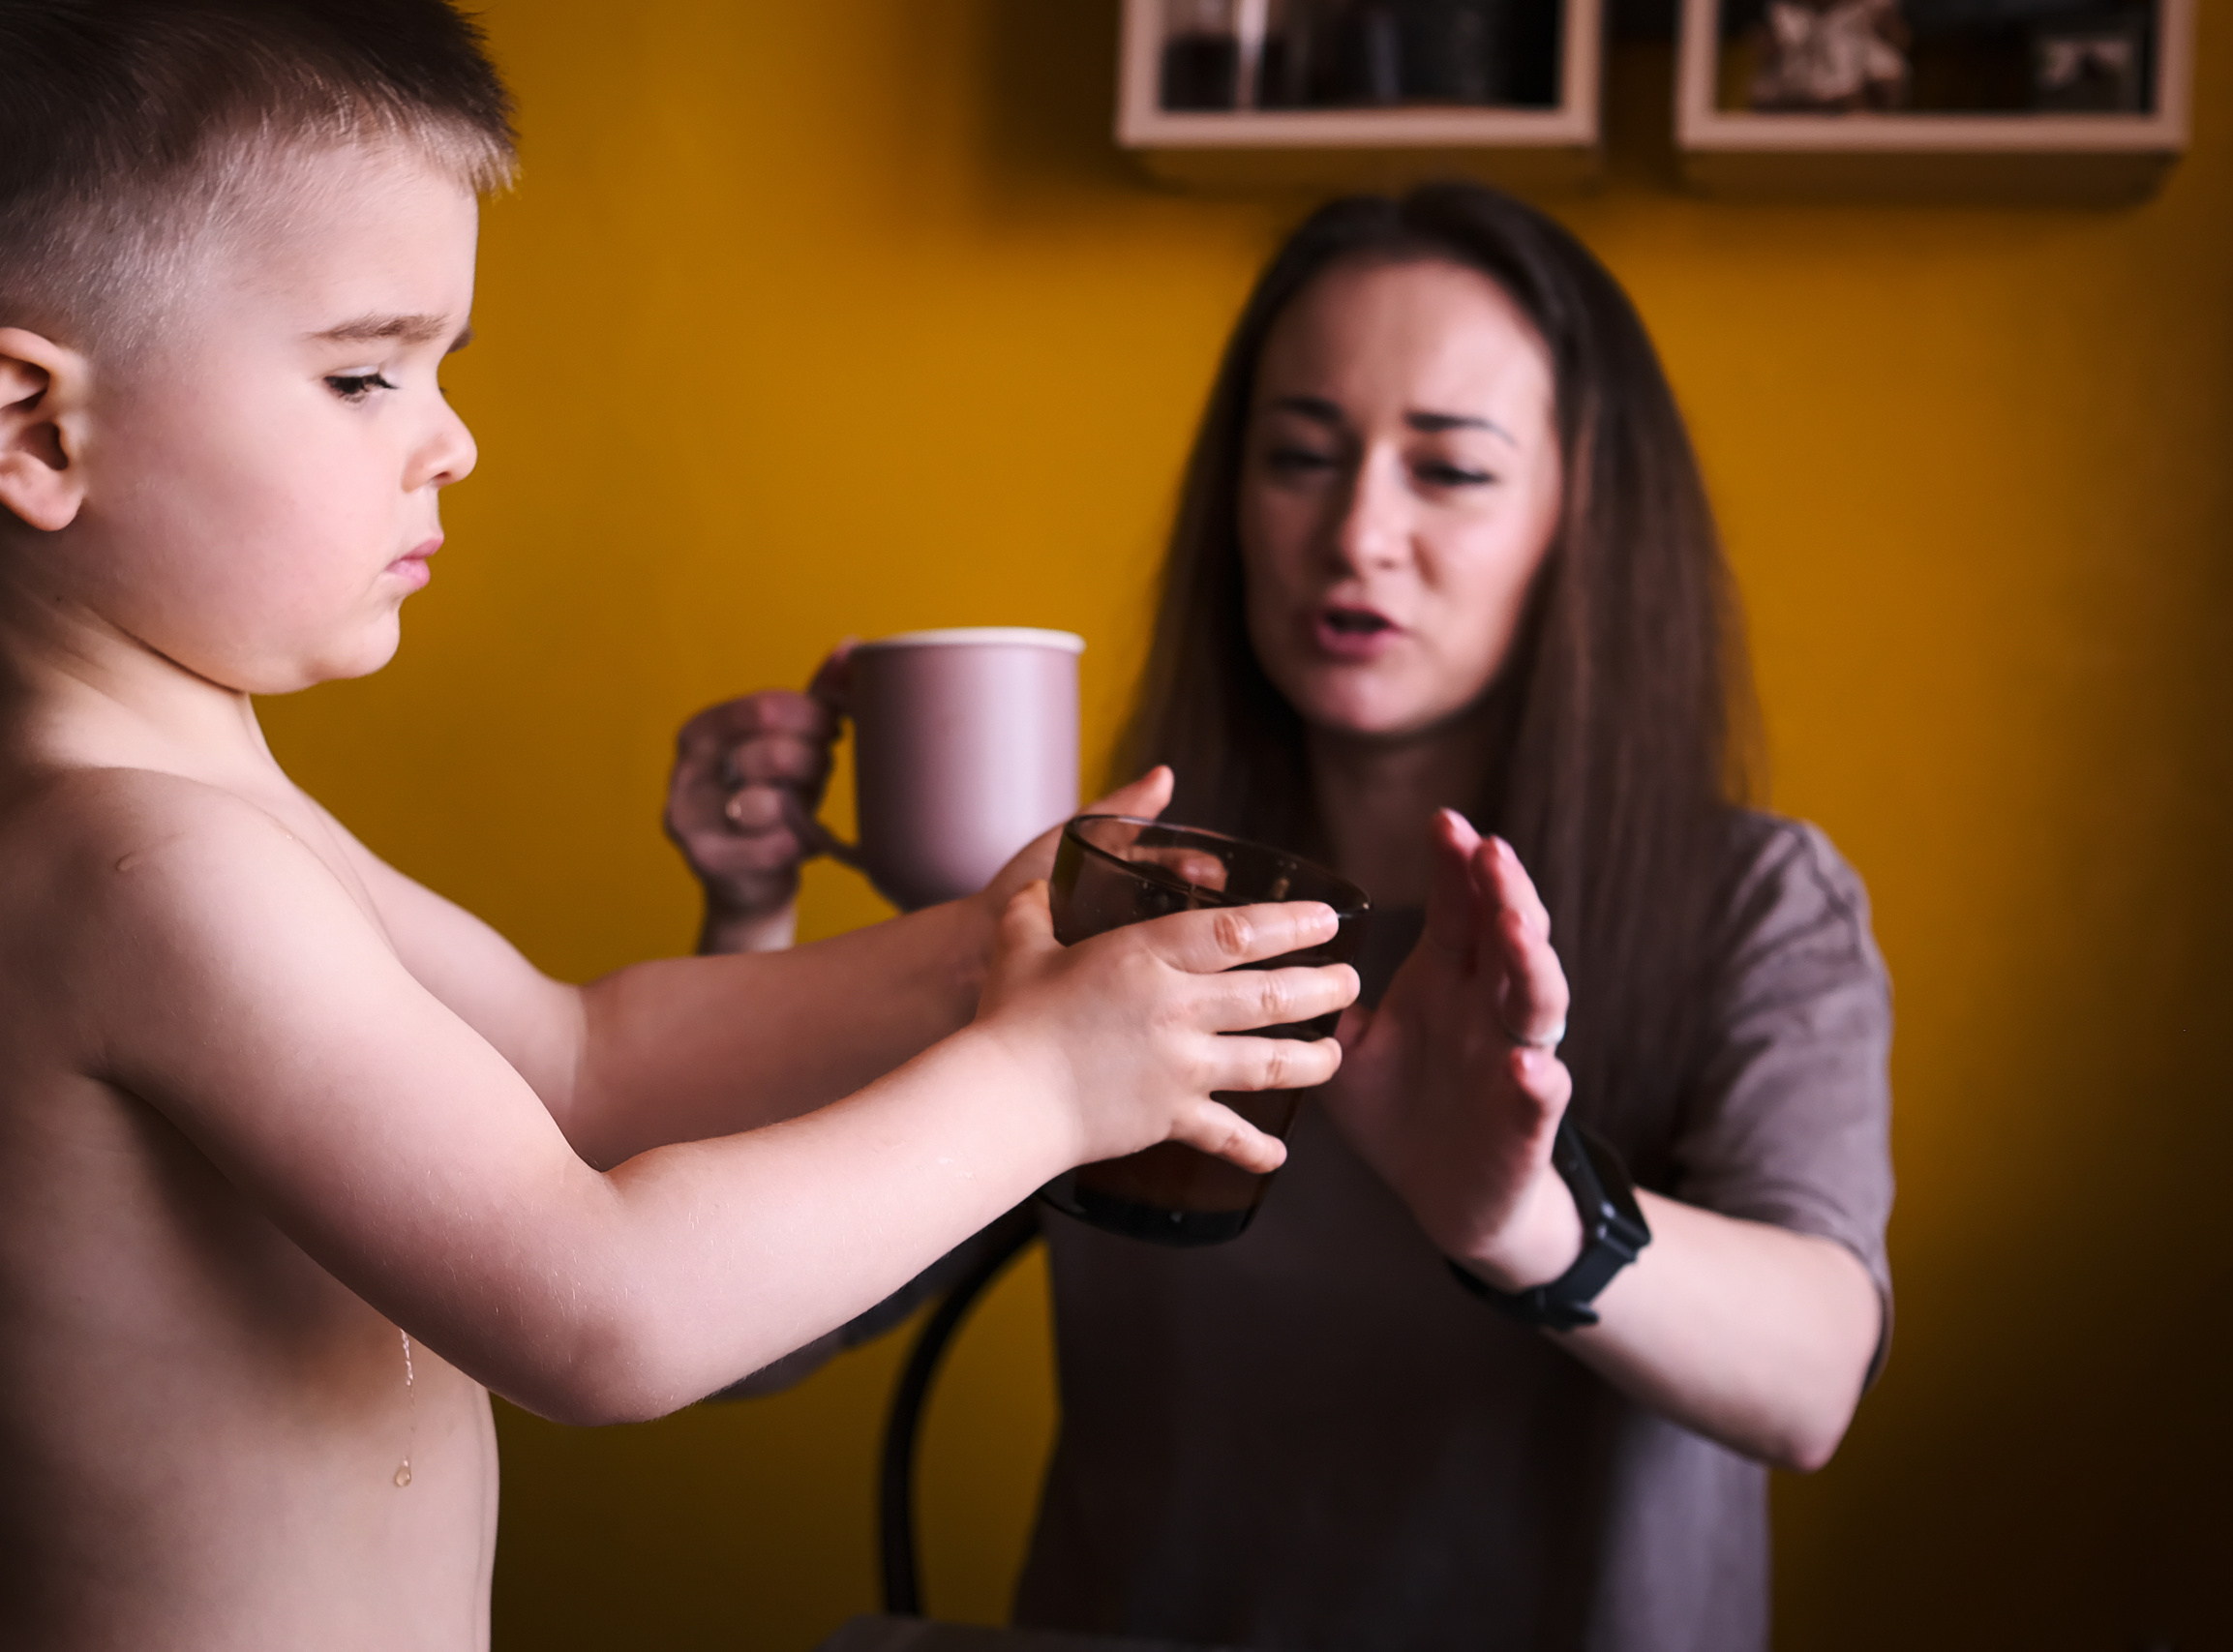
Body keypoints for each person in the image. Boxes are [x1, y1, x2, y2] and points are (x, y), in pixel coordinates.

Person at [0, 3, 1360, 1646]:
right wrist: (1044, 1083)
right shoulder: (149, 872)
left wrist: (986, 951)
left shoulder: (213, 804)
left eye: (444, 368)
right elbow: (605, 1313)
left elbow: (585, 1059)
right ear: (36, 429)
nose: (454, 440)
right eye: (364, 372)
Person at [672, 185, 1893, 1651]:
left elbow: (1813, 1379)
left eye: (1450, 472)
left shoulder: (1753, 905)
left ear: (1584, 517)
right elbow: (734, 1338)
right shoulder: (1115, 907)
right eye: (1302, 457)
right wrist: (750, 916)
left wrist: (1529, 1223)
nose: (1358, 531)